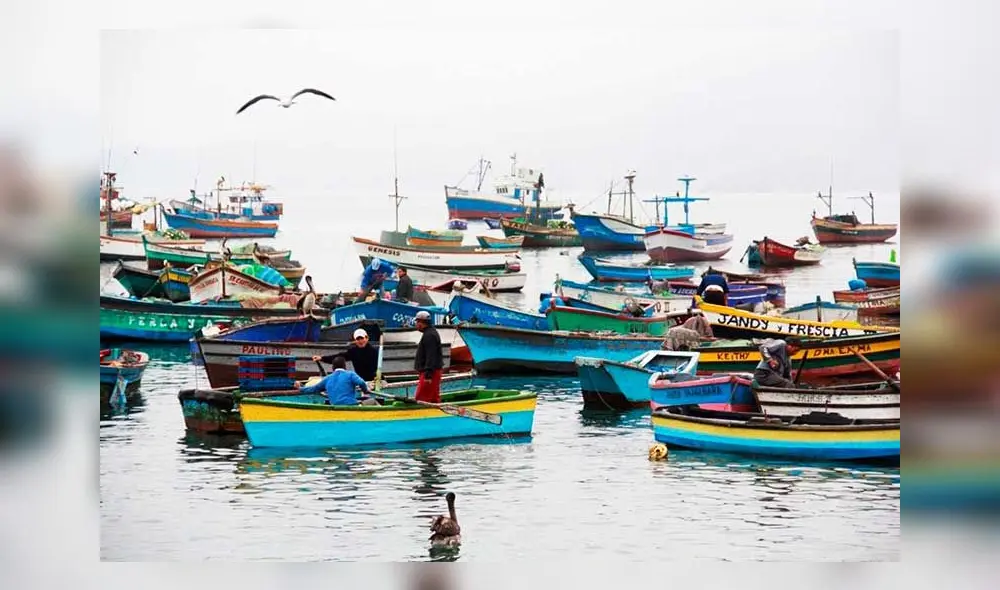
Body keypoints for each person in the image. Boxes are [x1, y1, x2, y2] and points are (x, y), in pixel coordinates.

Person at [296, 356, 377, 406]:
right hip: (351, 405)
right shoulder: (350, 374)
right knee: (373, 401)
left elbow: (313, 389)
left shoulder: (327, 378)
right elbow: (362, 383)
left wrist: (300, 388)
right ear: (344, 366)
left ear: (333, 367)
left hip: (335, 406)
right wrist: (365, 390)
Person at [311, 328, 379, 381]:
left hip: (373, 380)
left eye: (362, 338)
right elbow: (338, 357)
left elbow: (375, 368)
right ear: (355, 341)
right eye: (358, 339)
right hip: (361, 380)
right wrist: (322, 358)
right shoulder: (353, 351)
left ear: (367, 338)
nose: (360, 341)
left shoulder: (373, 351)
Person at [413, 310, 444, 403]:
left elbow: (431, 356)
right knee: (434, 398)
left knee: (421, 398)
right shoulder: (430, 333)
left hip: (430, 373)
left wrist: (428, 375)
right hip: (432, 371)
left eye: (417, 322)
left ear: (422, 323)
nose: (416, 324)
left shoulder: (429, 335)